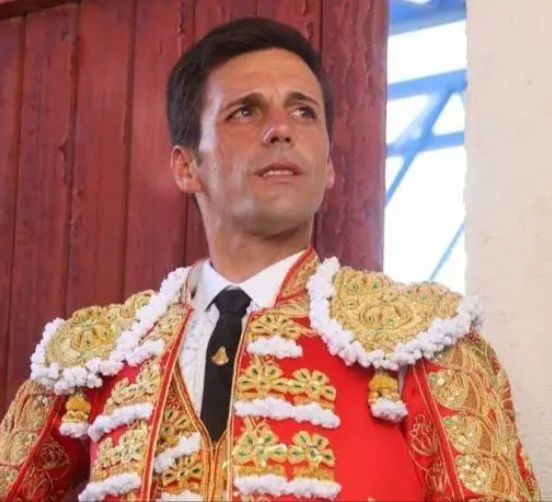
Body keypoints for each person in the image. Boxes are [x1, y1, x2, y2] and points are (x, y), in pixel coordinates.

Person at [0, 17, 540, 502]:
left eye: (304, 111)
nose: (281, 129)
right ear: (187, 167)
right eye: (245, 111)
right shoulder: (96, 356)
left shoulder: (423, 341)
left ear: (329, 165)